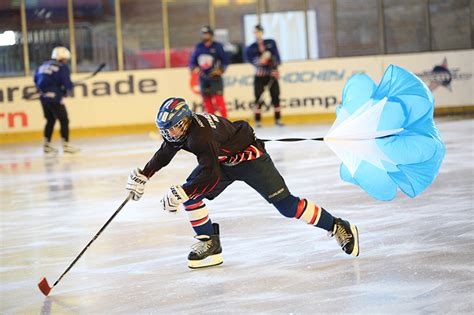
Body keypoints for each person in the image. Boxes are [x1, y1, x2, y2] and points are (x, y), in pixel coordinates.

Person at [126, 97, 359, 269]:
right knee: (192, 194)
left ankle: (337, 225)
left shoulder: (200, 136)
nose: (171, 134)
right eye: (167, 130)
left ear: (185, 121)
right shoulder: (182, 132)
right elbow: (166, 152)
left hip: (250, 159)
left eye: (174, 128)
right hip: (223, 160)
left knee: (287, 206)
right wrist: (145, 175)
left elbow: (210, 177)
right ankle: (209, 242)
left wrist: (183, 192)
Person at [34, 46, 79, 154]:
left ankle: (46, 145)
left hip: (43, 97)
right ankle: (66, 145)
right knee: (64, 120)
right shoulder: (62, 67)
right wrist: (68, 88)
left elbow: (36, 80)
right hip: (54, 98)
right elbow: (67, 84)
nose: (66, 60)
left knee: (50, 120)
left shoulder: (43, 65)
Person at [245, 24, 283, 128]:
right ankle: (258, 120)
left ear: (262, 32)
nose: (257, 34)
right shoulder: (251, 47)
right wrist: (265, 60)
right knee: (258, 98)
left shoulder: (271, 43)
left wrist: (273, 61)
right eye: (256, 32)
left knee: (275, 97)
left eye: (259, 32)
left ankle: (278, 119)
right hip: (259, 76)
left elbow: (277, 58)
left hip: (271, 75)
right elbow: (254, 61)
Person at [189, 25, 230, 118]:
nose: (206, 36)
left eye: (207, 34)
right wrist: (194, 68)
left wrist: (221, 69)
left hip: (215, 77)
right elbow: (192, 62)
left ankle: (226, 123)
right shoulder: (198, 47)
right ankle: (212, 123)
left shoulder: (218, 46)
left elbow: (225, 60)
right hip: (203, 77)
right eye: (204, 34)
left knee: (219, 101)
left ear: (211, 35)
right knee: (207, 103)